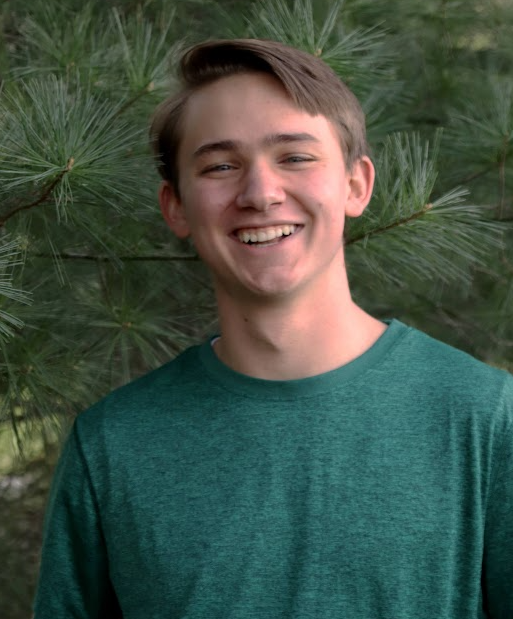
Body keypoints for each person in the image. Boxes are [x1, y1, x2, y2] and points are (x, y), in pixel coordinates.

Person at [33, 39, 512, 619]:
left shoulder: (487, 420)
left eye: (296, 157)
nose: (260, 193)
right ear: (176, 206)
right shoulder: (111, 445)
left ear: (356, 185)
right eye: (220, 166)